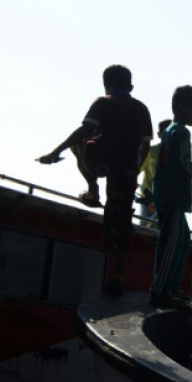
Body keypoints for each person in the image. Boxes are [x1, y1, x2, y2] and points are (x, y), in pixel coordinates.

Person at [38, 64, 153, 296]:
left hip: (101, 163)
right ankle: (116, 274)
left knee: (78, 143)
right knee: (120, 218)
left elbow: (84, 130)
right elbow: (146, 145)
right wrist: (135, 170)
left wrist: (55, 152)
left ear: (105, 85)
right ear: (131, 87)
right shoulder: (141, 108)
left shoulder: (103, 102)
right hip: (126, 169)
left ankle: (92, 189)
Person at [149, 86, 192, 308]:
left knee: (182, 241)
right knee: (171, 245)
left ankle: (172, 287)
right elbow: (182, 166)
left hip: (171, 198)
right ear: (182, 107)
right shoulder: (180, 132)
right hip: (173, 198)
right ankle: (160, 290)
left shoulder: (171, 131)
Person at [136, 119, 172, 227]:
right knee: (144, 230)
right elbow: (134, 172)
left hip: (169, 204)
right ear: (159, 134)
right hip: (149, 202)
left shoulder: (180, 155)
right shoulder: (150, 151)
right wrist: (146, 198)